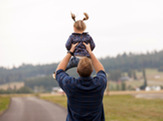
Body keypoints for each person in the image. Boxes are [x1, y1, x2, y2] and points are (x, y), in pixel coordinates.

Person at [55, 42, 107, 121]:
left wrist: (70, 52)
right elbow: (101, 70)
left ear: (77, 71)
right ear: (92, 70)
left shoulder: (70, 84)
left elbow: (59, 71)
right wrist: (90, 52)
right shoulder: (99, 83)